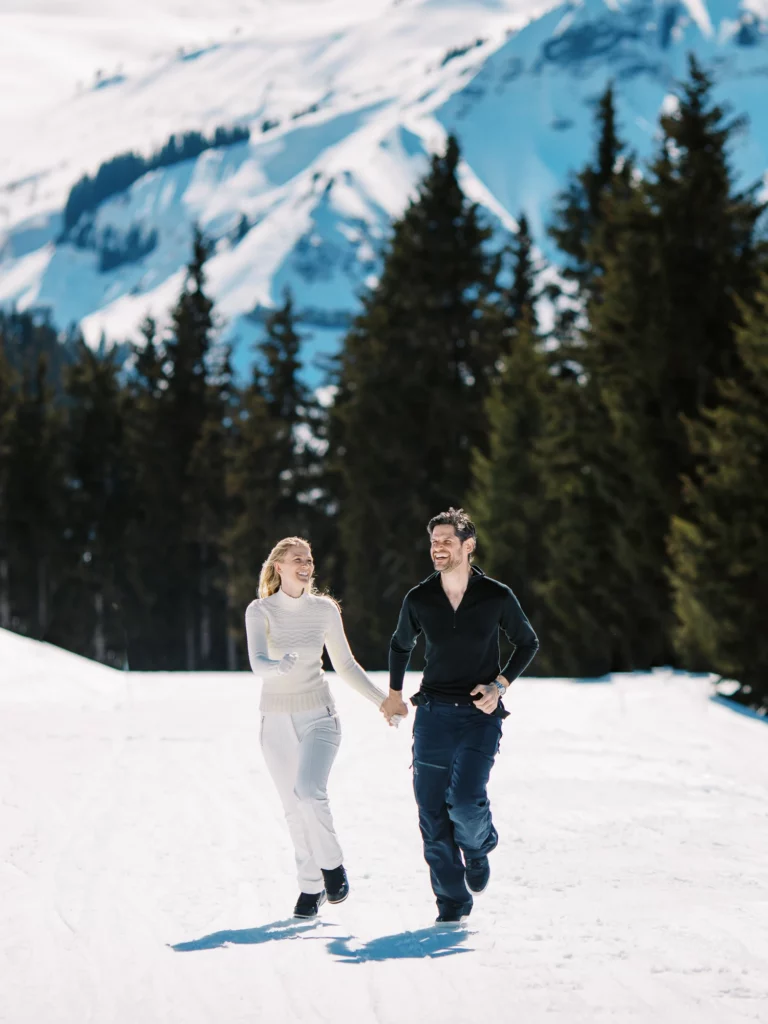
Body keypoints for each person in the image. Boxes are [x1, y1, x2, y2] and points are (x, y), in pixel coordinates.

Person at [380, 508, 539, 925]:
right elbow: (400, 645)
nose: (438, 548)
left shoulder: (496, 596)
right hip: (432, 716)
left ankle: (479, 845)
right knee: (431, 814)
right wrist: (396, 694)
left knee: (466, 802)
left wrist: (499, 685)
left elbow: (527, 642)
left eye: (447, 540)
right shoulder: (419, 598)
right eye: (434, 541)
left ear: (469, 546)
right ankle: (451, 905)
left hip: (478, 716)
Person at [245, 536, 391, 920]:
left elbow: (345, 665)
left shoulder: (324, 610)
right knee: (293, 808)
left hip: (319, 717)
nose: (306, 565)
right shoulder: (260, 611)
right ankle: (310, 887)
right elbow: (257, 661)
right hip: (275, 720)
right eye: (298, 559)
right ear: (279, 566)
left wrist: (381, 700)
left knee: (309, 792)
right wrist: (277, 667)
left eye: (309, 559)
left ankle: (332, 868)